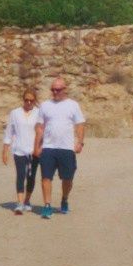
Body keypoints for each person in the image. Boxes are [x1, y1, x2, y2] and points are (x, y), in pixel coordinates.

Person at [34, 77, 85, 217]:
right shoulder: (45, 105)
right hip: (48, 147)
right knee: (46, 177)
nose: (55, 92)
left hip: (66, 148)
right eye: (53, 89)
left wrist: (80, 142)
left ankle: (64, 199)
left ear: (65, 90)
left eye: (58, 89)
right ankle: (47, 205)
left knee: (67, 178)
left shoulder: (73, 105)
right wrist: (37, 146)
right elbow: (40, 127)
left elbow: (80, 124)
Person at [0, 85, 41, 212]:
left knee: (31, 176)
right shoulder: (15, 113)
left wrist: (41, 148)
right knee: (20, 175)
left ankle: (27, 200)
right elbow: (9, 132)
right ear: (23, 99)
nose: (28, 103)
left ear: (34, 101)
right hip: (19, 149)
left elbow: (43, 131)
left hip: (34, 150)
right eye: (26, 100)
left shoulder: (39, 113)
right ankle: (20, 202)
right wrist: (5, 150)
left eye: (31, 100)